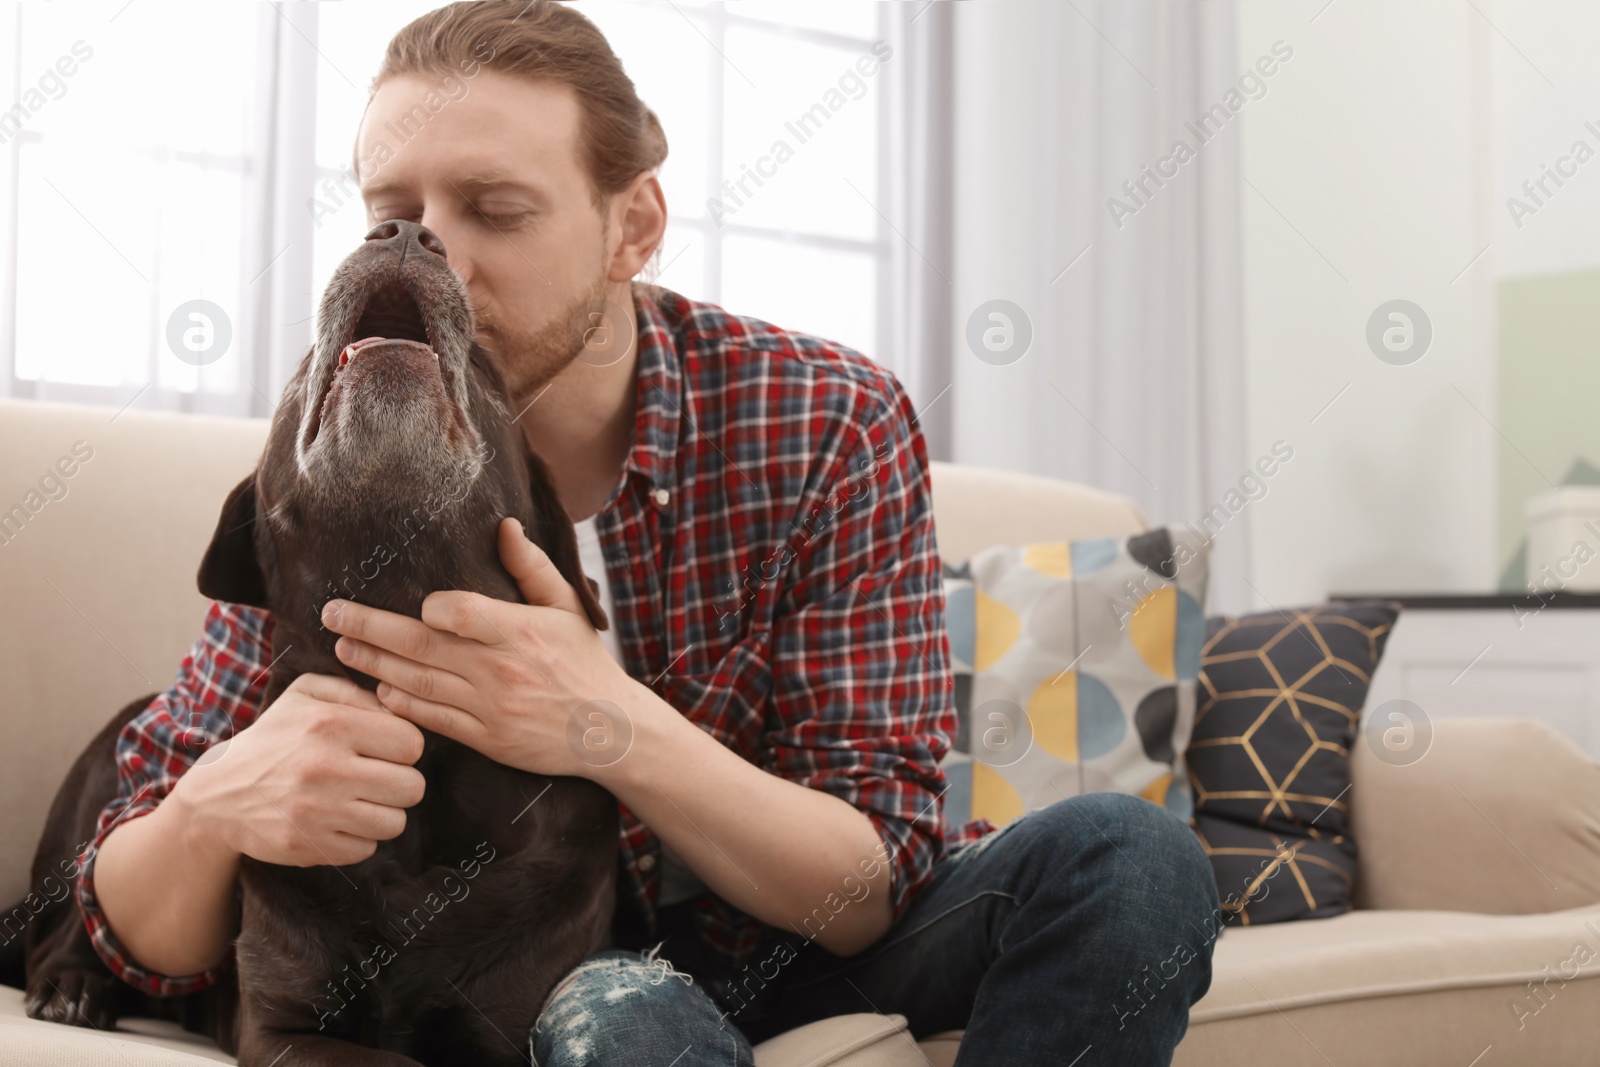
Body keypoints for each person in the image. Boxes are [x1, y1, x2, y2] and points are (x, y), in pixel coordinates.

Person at [78, 3, 1218, 1063]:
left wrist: (601, 719)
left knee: (1132, 857)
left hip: (805, 946)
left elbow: (870, 880)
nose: (430, 254)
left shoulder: (823, 419)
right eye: (395, 215)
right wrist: (217, 799)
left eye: (496, 209)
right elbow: (123, 918)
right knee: (618, 1018)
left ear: (634, 223)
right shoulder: (342, 462)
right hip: (584, 989)